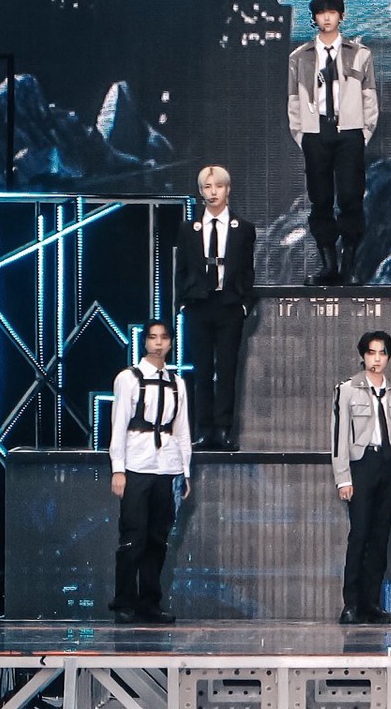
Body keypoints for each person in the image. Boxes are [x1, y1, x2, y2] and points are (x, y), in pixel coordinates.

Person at [287, 0, 379, 286]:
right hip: (316, 132)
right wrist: (302, 134)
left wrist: (363, 133)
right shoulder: (299, 57)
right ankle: (329, 265)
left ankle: (349, 264)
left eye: (332, 12)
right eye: (320, 13)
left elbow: (369, 97)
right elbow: (293, 100)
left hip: (350, 132)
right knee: (321, 200)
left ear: (341, 16)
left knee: (351, 197)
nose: (326, 18)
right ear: (314, 19)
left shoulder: (360, 54)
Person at [330, 330, 391, 625]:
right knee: (359, 534)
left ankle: (372, 604)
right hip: (362, 464)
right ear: (363, 355)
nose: (376, 359)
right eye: (371, 353)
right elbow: (339, 436)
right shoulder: (347, 390)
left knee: (381, 537)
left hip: (389, 464)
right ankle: (351, 604)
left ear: (388, 357)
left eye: (382, 353)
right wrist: (343, 477)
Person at [107, 320, 191, 625]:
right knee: (133, 537)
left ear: (170, 342)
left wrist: (185, 471)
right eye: (153, 338)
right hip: (136, 465)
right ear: (144, 342)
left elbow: (182, 429)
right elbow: (118, 424)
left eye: (164, 338)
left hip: (166, 466)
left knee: (158, 539)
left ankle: (149, 604)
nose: (158, 343)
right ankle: (124, 602)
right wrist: (118, 469)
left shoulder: (177, 383)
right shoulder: (128, 378)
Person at [176, 165, 257, 452]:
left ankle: (223, 430)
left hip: (229, 305)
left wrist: (244, 304)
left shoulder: (243, 229)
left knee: (226, 369)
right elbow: (181, 269)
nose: (213, 192)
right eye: (207, 187)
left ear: (227, 189)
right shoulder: (189, 229)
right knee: (201, 370)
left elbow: (247, 271)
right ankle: (203, 430)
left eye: (218, 186)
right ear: (201, 192)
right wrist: (183, 303)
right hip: (198, 305)